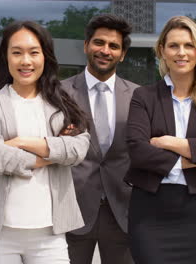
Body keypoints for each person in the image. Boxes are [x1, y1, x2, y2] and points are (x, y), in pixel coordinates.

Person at [0, 21, 90, 264]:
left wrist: (21, 142)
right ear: (6, 57)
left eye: (34, 52)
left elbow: (78, 148)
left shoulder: (63, 105)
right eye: (17, 52)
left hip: (49, 233)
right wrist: (53, 154)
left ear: (45, 56)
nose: (26, 61)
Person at [125, 16, 196, 264]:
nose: (181, 52)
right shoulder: (144, 97)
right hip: (149, 214)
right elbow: (138, 152)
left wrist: (167, 142)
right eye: (174, 45)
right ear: (162, 51)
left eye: (188, 45)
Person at [61, 14, 138, 264]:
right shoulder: (59, 92)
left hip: (123, 210)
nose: (105, 50)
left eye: (113, 46)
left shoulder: (139, 96)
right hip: (72, 209)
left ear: (122, 54)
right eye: (99, 43)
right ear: (86, 46)